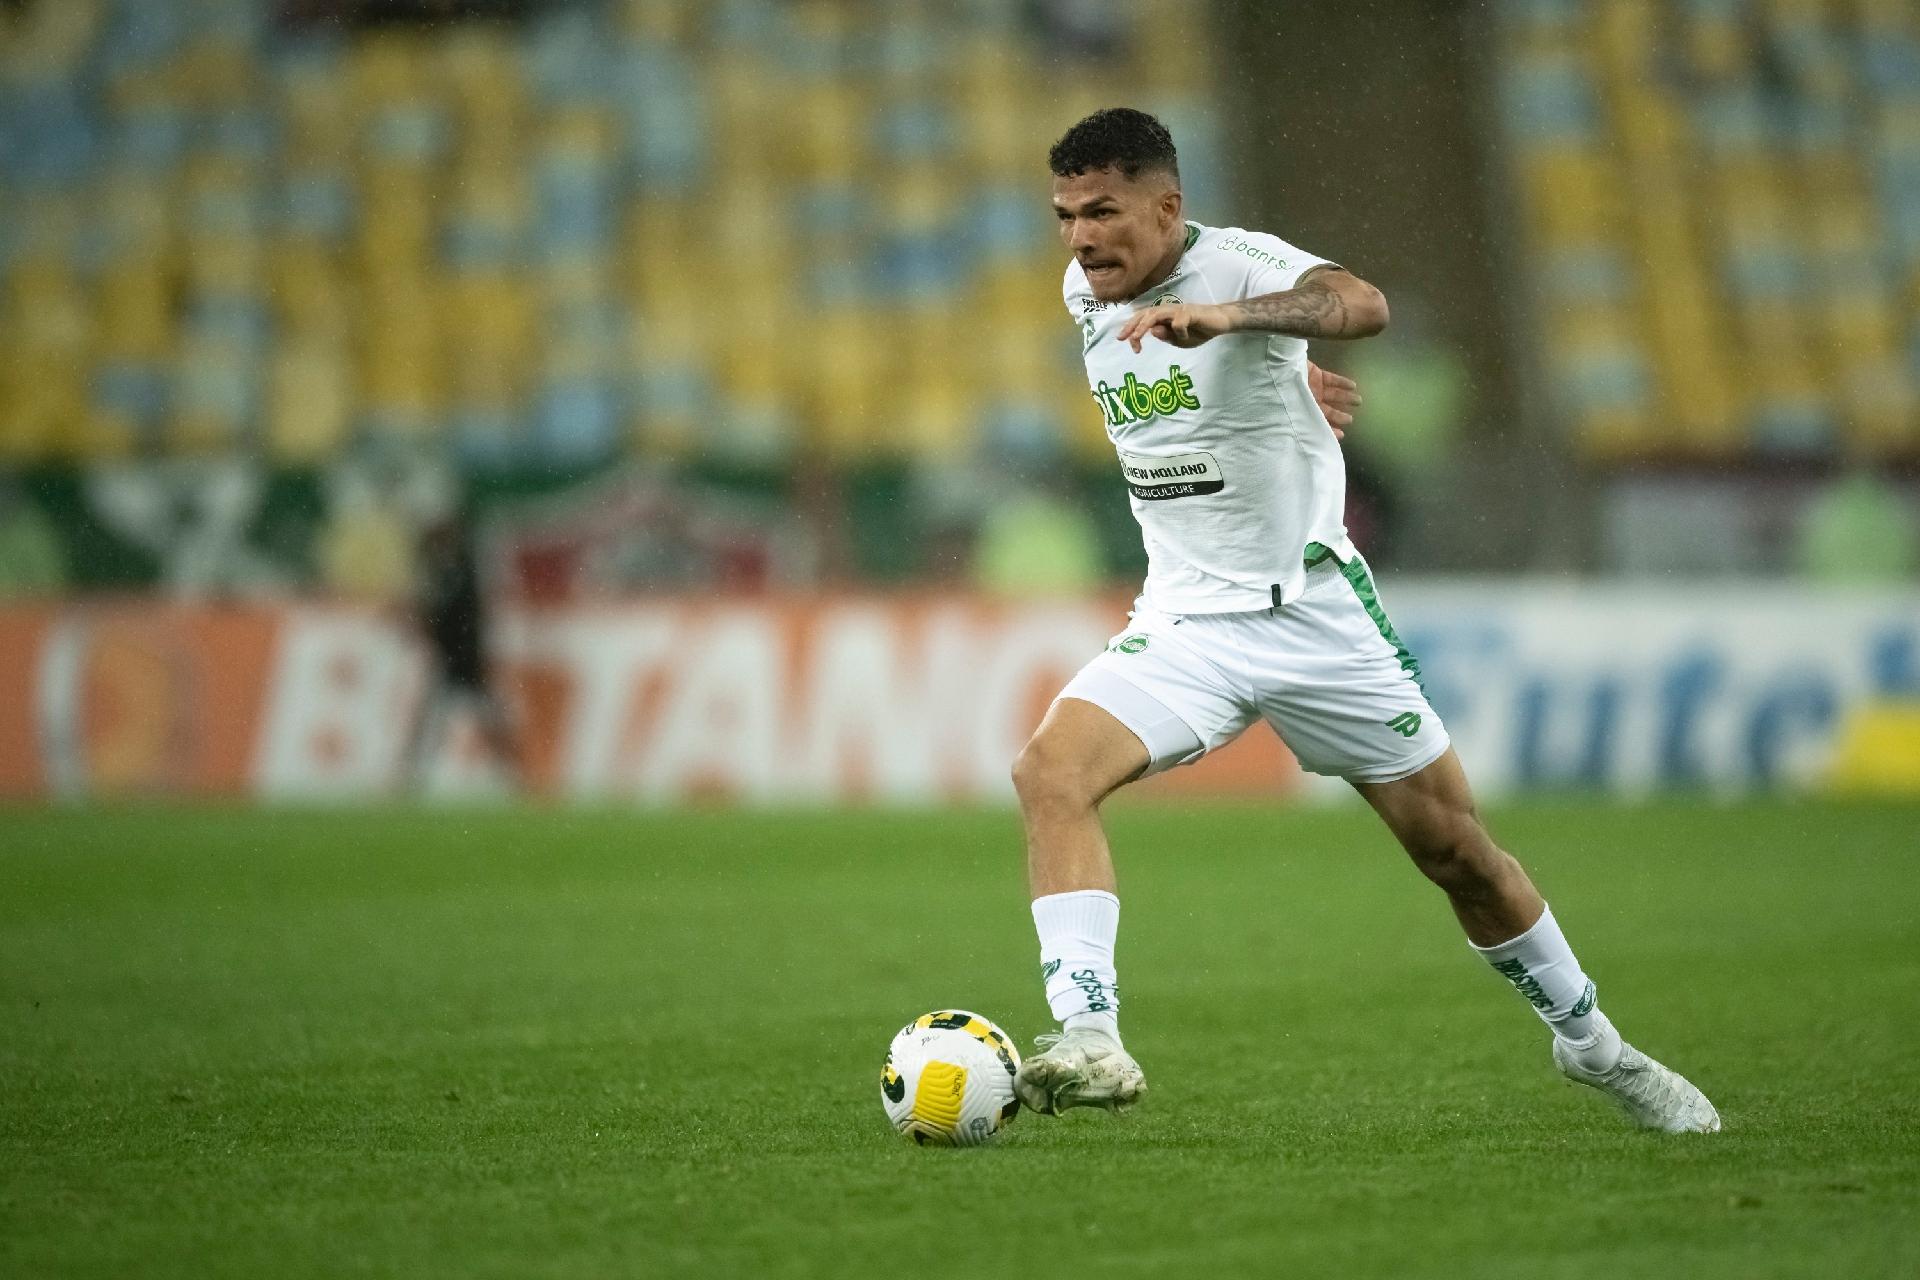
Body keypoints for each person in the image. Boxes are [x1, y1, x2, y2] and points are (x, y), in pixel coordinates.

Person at [1012, 108, 1718, 1134]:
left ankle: (1595, 1045)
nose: (1081, 237)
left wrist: (1250, 326)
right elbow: (1193, 395)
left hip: (1317, 618)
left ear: (1168, 206)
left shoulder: (1244, 266)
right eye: (1066, 214)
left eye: (1104, 211)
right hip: (1187, 622)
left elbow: (1359, 301)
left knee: (1458, 852)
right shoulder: (1087, 287)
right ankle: (1091, 1035)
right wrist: (1294, 384)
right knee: (1050, 772)